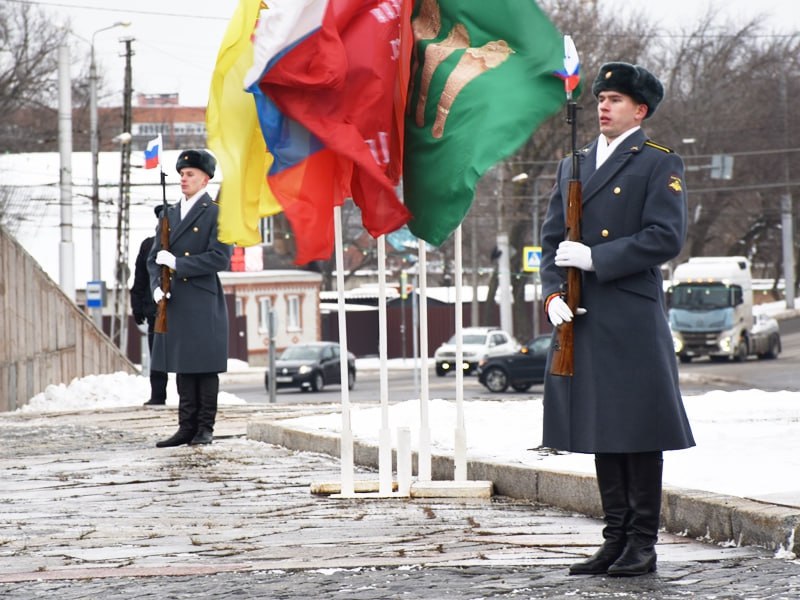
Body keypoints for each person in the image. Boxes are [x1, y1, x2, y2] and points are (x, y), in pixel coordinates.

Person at [540, 62, 695, 577]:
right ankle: (615, 539)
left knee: (639, 430)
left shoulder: (657, 162)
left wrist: (596, 258)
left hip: (630, 314)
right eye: (601, 99)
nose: (603, 107)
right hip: (583, 314)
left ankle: (642, 544)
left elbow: (665, 237)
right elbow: (550, 240)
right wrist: (551, 294)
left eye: (615, 100)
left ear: (640, 110)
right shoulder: (573, 164)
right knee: (603, 428)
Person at [147, 149, 232, 447]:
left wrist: (179, 264)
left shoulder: (216, 213)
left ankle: (204, 428)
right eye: (182, 174)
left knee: (205, 367)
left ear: (205, 179)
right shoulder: (169, 214)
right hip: (176, 300)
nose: (184, 179)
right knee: (183, 366)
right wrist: (156, 286)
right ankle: (186, 427)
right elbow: (153, 258)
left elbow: (220, 258)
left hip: (203, 300)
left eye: (190, 174)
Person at [130, 206, 169, 406]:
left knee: (181, 357)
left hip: (179, 310)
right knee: (157, 355)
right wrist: (136, 306)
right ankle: (158, 395)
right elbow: (140, 278)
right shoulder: (148, 245)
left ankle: (186, 397)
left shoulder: (179, 245)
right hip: (155, 310)